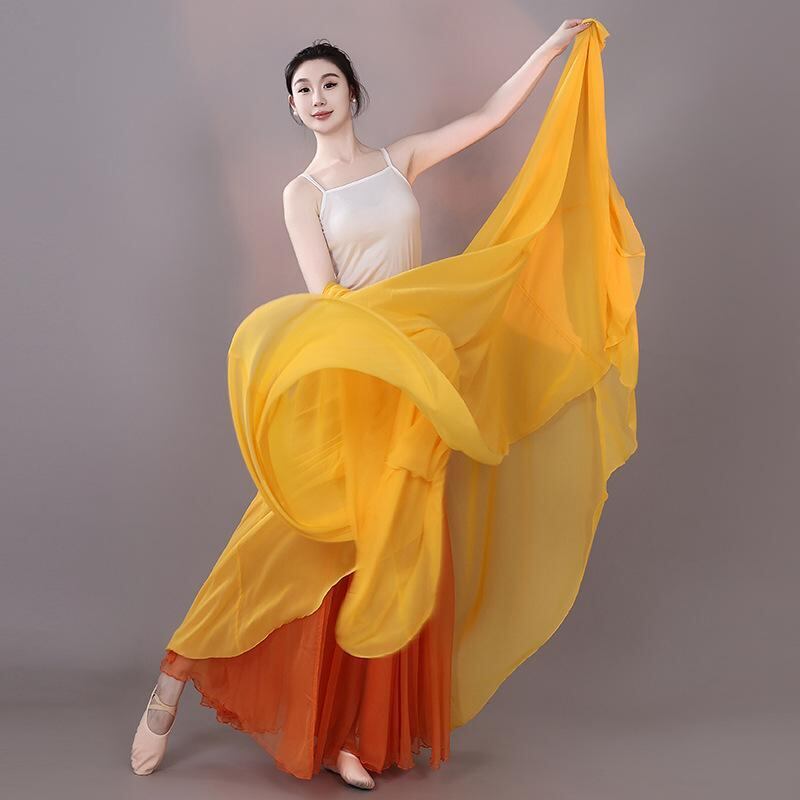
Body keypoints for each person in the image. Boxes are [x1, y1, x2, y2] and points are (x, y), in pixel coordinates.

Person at [131, 18, 639, 791]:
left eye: (329, 82)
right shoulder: (302, 193)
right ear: (293, 108)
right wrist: (379, 350)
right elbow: (324, 296)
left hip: (415, 381)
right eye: (303, 89)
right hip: (356, 371)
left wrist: (549, 51)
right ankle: (171, 680)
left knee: (395, 553)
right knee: (287, 539)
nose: (317, 96)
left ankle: (354, 737)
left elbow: (488, 117)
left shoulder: (399, 160)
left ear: (353, 93)